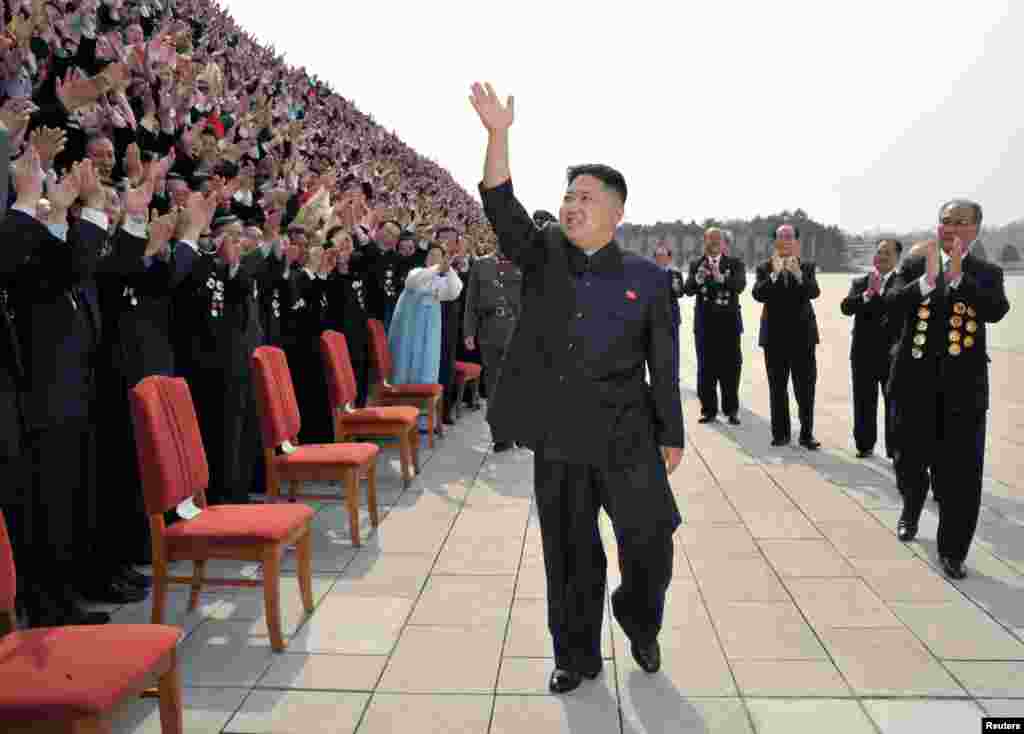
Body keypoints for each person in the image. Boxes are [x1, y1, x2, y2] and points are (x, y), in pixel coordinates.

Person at [470, 82, 684, 694]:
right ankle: (576, 655)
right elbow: (500, 204)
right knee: (569, 555)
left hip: (628, 436)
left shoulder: (648, 279)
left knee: (650, 543)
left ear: (618, 213)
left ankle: (640, 619)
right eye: (568, 197)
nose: (571, 206)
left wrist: (672, 431)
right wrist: (498, 134)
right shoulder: (543, 256)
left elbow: (663, 365)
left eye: (586, 198)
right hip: (559, 437)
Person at [885, 200, 1009, 579]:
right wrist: (928, 281)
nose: (950, 228)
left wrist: (958, 280)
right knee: (907, 461)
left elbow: (995, 309)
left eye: (960, 222)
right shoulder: (914, 264)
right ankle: (911, 506)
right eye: (944, 221)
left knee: (961, 475)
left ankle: (953, 550)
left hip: (962, 390)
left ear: (975, 229)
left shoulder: (986, 272)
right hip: (913, 383)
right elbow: (891, 305)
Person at [752, 224, 821, 449]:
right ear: (775, 242)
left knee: (805, 389)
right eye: (781, 237)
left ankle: (806, 434)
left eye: (789, 237)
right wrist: (774, 274)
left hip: (803, 337)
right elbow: (758, 294)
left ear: (796, 242)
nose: (785, 241)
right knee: (777, 388)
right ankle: (780, 434)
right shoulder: (764, 267)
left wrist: (798, 274)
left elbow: (813, 292)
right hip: (774, 338)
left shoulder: (807, 266)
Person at [386, 242, 463, 430]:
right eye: (433, 255)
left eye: (440, 256)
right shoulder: (416, 272)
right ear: (427, 258)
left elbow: (454, 292)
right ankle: (399, 418)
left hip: (429, 336)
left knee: (427, 371)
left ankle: (422, 422)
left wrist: (449, 269)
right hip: (409, 335)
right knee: (405, 369)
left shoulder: (439, 280)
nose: (436, 259)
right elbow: (413, 283)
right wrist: (438, 267)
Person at [839, 239, 902, 458]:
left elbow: (896, 304)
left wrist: (879, 295)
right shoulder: (861, 281)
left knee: (893, 401)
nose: (881, 257)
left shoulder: (902, 282)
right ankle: (864, 445)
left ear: (897, 258)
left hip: (892, 354)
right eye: (879, 252)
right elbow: (846, 307)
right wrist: (867, 295)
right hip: (862, 353)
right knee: (863, 400)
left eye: (887, 253)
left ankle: (894, 449)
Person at [682, 228, 746, 423]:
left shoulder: (735, 264)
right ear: (705, 241)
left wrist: (721, 278)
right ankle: (708, 409)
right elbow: (688, 290)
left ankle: (731, 409)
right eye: (710, 239)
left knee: (731, 368)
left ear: (724, 243)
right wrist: (697, 278)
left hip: (729, 326)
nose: (714, 242)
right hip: (705, 326)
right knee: (706, 369)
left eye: (718, 239)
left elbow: (740, 285)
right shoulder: (696, 264)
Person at [463, 243, 522, 451]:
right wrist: (469, 331)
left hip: (518, 330)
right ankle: (500, 434)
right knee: (494, 384)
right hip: (490, 331)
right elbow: (471, 301)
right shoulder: (481, 264)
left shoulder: (524, 261)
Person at [653, 242, 684, 382]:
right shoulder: (649, 273)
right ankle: (658, 376)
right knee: (655, 350)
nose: (660, 258)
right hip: (655, 318)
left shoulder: (675, 274)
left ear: (669, 258)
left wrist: (676, 287)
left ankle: (674, 376)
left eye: (663, 255)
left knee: (673, 349)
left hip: (672, 317)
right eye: (658, 255)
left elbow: (680, 293)